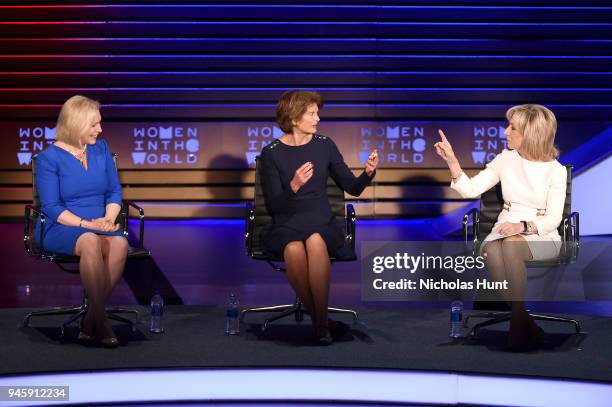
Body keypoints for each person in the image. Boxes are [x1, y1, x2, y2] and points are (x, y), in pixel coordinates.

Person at [434, 104, 566, 349]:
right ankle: (524, 321)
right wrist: (452, 161)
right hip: (504, 228)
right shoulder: (506, 159)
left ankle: (518, 326)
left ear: (531, 134)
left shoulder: (556, 171)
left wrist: (522, 226)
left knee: (512, 244)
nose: (505, 131)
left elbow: (553, 220)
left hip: (541, 233)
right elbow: (471, 189)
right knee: (495, 248)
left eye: (512, 127)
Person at [260, 90, 379, 345]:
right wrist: (293, 184)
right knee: (292, 249)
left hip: (320, 220)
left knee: (315, 240)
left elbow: (352, 187)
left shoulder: (324, 144)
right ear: (294, 118)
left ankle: (320, 323)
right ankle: (322, 321)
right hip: (287, 221)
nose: (317, 119)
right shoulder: (271, 153)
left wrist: (367, 174)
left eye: (317, 113)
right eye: (311, 114)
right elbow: (274, 205)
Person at [35, 95, 128, 348]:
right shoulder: (48, 159)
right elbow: (52, 207)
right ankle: (102, 321)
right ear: (76, 124)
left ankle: (90, 319)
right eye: (94, 124)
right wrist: (91, 226)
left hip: (99, 222)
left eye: (100, 123)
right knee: (89, 241)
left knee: (119, 244)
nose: (100, 129)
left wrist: (108, 220)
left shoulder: (101, 148)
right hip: (60, 226)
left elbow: (113, 191)